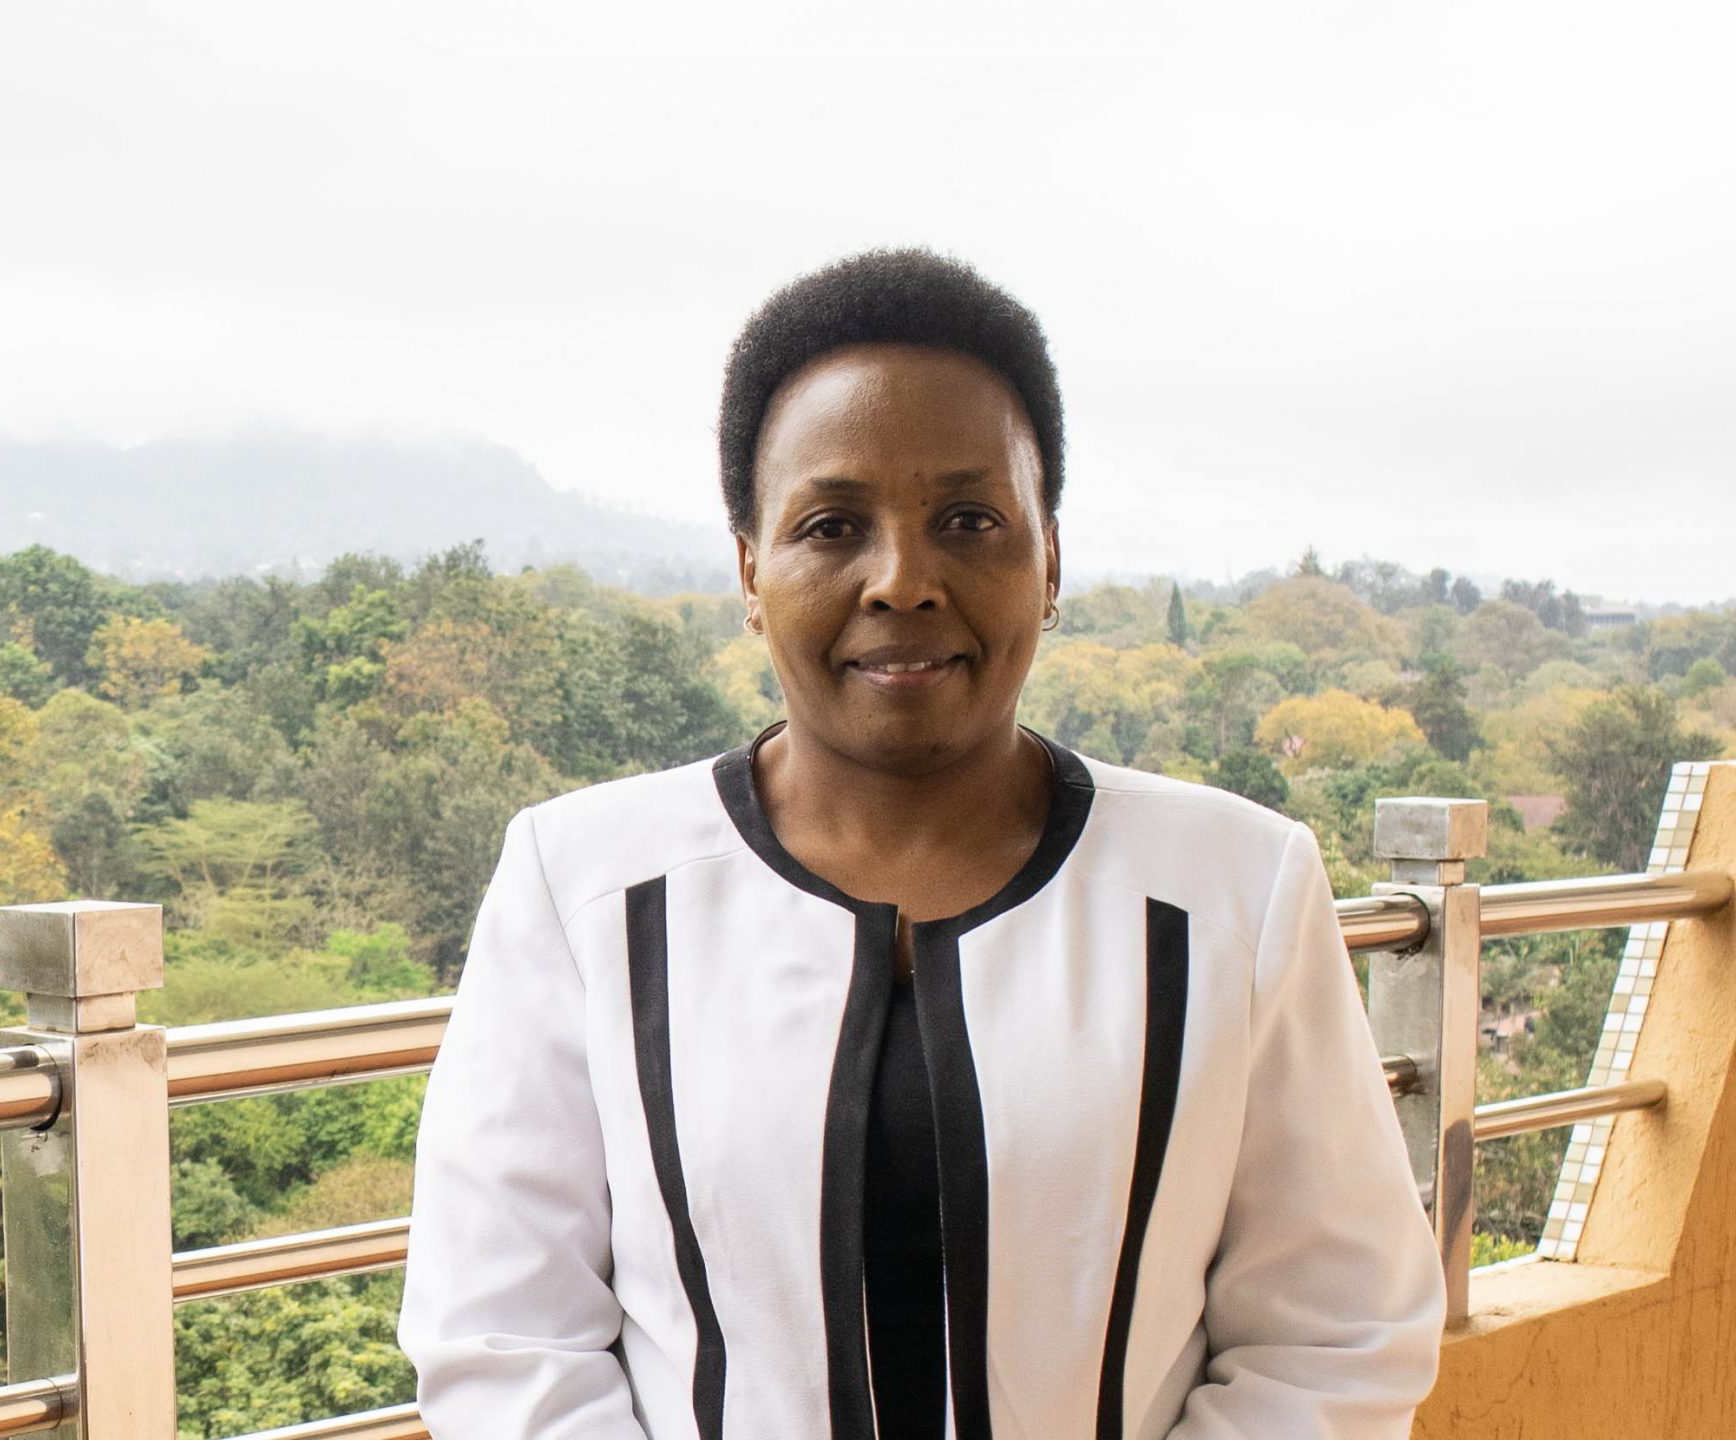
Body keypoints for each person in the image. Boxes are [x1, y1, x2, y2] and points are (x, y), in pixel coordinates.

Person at [397, 249, 1445, 1439]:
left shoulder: (1233, 889)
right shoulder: (583, 888)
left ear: (1048, 556)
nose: (901, 580)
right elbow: (503, 1339)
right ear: (751, 566)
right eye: (832, 524)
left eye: (968, 519)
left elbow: (1336, 1333)